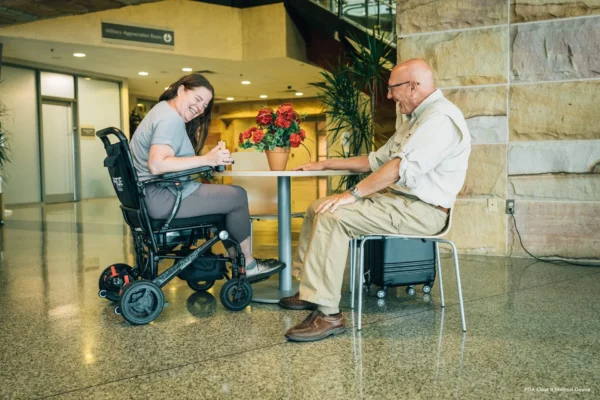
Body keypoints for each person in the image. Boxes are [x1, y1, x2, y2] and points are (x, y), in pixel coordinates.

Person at [278, 59, 472, 342]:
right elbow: (375, 160)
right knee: (318, 206)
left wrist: (352, 194)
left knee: (335, 216)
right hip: (398, 203)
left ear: (413, 86)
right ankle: (311, 293)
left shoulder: (440, 119)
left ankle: (329, 315)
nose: (390, 96)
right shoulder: (415, 120)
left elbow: (396, 169)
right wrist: (325, 164)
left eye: (393, 89)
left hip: (424, 211)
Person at [129, 73, 283, 279]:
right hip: (162, 198)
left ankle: (240, 263)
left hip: (149, 197)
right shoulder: (170, 119)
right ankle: (248, 264)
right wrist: (207, 160)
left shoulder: (160, 111)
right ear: (181, 90)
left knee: (223, 201)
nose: (200, 108)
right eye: (198, 99)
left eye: (205, 104)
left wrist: (210, 159)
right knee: (237, 196)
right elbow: (157, 165)